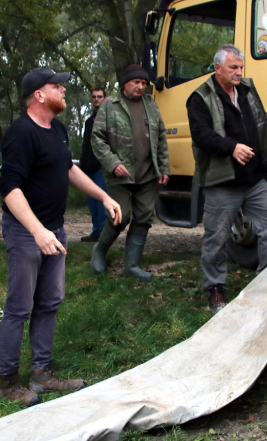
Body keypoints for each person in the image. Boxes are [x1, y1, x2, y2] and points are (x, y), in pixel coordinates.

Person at [0, 67, 122, 407]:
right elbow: (9, 187)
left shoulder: (57, 129)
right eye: (57, 86)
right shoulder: (21, 134)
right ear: (39, 94)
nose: (63, 91)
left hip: (54, 229)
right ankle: (8, 383)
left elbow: (68, 169)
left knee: (49, 302)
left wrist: (103, 196)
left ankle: (41, 373)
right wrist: (36, 231)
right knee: (19, 308)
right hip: (27, 233)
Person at [186, 44, 267, 314]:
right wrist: (231, 147)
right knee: (217, 239)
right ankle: (215, 290)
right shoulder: (200, 98)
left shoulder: (246, 91)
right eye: (233, 67)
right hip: (223, 182)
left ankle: (266, 284)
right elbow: (201, 135)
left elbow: (263, 124)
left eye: (241, 67)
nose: (239, 72)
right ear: (217, 67)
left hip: (254, 179)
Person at [90, 65, 171, 281]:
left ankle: (131, 265)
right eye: (136, 82)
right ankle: (99, 250)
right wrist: (112, 162)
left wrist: (163, 167)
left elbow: (161, 137)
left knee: (144, 216)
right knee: (121, 216)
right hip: (119, 174)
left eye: (144, 83)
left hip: (147, 173)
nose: (140, 86)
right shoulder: (109, 105)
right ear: (125, 83)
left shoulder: (150, 104)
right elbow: (97, 138)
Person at [79, 87, 108, 242]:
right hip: (88, 167)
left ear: (104, 98)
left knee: (101, 201)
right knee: (91, 201)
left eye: (99, 96)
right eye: (94, 97)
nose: (96, 99)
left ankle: (103, 233)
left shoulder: (108, 119)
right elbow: (86, 144)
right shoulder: (89, 121)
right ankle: (96, 231)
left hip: (101, 168)